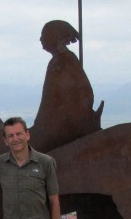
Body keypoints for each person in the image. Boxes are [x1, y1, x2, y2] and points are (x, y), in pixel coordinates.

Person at [31, 19, 100, 152]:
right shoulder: (57, 62)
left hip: (64, 127)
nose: (41, 39)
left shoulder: (66, 61)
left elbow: (83, 95)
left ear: (55, 37)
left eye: (44, 35)